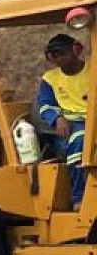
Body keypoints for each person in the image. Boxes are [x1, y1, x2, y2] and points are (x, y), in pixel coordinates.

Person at [37, 31, 91, 208]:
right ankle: (78, 198)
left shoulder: (93, 70)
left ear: (75, 51)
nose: (59, 60)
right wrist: (57, 118)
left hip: (93, 121)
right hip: (68, 128)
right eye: (55, 56)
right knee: (81, 140)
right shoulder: (50, 79)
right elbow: (45, 105)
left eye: (63, 54)